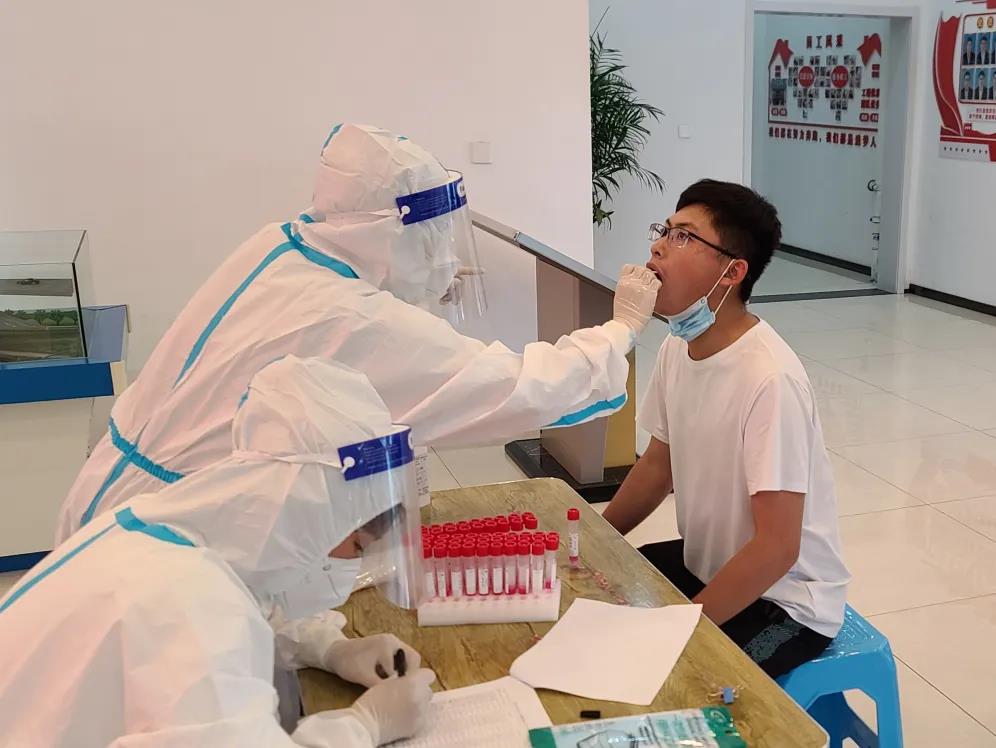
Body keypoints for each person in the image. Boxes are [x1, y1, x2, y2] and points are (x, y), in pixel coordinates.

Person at [55, 123, 661, 543]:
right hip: (169, 535)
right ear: (386, 230)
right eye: (433, 240)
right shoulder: (351, 318)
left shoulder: (283, 245)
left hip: (122, 495)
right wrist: (619, 331)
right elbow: (516, 386)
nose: (446, 258)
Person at [0, 357, 436, 747]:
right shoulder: (190, 605)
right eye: (356, 545)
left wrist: (327, 647)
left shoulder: (165, 530)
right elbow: (207, 637)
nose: (352, 564)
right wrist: (363, 727)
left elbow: (248, 600)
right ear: (310, 514)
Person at [601, 180, 850, 679]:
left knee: (673, 678)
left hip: (783, 599)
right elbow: (658, 467)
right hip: (708, 563)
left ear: (732, 272)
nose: (658, 246)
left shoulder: (769, 379)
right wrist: (595, 538)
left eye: (683, 236)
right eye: (665, 230)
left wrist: (680, 631)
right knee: (603, 589)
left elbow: (778, 548)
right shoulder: (677, 347)